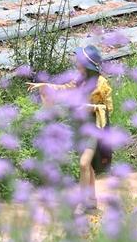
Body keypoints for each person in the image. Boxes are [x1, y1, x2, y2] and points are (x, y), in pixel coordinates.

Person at [27, 45, 113, 211]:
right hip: (80, 126)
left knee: (83, 163)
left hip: (95, 127)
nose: (76, 63)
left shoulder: (102, 83)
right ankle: (92, 200)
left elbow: (108, 108)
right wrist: (45, 86)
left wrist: (90, 107)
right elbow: (64, 88)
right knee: (88, 165)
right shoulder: (80, 79)